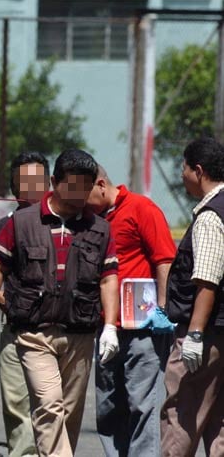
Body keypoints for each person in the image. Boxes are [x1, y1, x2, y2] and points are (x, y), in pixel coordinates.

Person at [0, 148, 119, 457]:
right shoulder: (20, 222)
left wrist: (110, 327)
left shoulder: (100, 229)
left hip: (79, 334)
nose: (81, 194)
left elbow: (108, 278)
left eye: (87, 186)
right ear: (56, 182)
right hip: (33, 333)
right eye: (74, 185)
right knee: (48, 405)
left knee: (68, 412)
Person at [86, 165, 176, 457]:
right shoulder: (90, 220)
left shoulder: (142, 209)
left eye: (82, 194)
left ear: (101, 184)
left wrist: (162, 311)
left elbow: (164, 260)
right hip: (106, 329)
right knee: (109, 406)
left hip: (143, 329)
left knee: (143, 405)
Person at [0, 152, 49, 457]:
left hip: (61, 333)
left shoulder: (68, 223)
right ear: (15, 188)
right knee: (18, 407)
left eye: (38, 181)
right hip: (17, 332)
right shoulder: (6, 226)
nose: (32, 189)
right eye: (25, 182)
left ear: (50, 184)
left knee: (53, 409)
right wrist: (8, 306)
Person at [160, 137, 224, 457]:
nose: (181, 176)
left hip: (207, 334)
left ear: (198, 171)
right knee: (218, 421)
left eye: (184, 169)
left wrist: (195, 334)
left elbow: (207, 282)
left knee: (181, 413)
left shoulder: (212, 215)